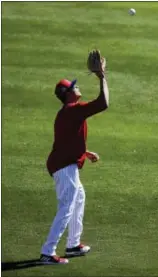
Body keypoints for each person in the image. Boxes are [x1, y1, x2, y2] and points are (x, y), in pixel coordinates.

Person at [40, 51, 109, 264]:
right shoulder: (72, 110)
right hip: (64, 166)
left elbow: (66, 140)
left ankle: (72, 244)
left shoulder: (67, 113)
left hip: (63, 162)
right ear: (68, 93)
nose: (77, 87)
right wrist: (101, 76)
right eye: (74, 86)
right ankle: (47, 252)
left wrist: (84, 152)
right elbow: (103, 103)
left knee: (79, 197)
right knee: (67, 206)